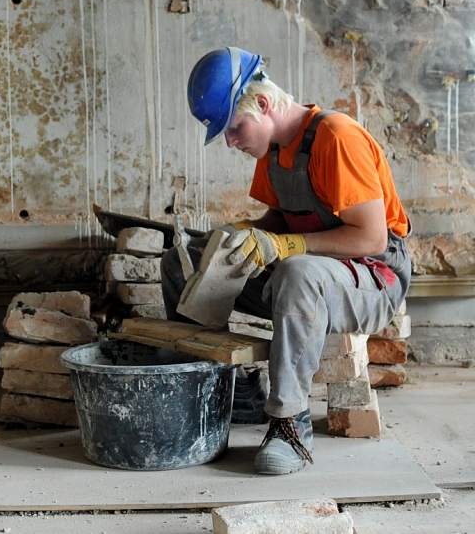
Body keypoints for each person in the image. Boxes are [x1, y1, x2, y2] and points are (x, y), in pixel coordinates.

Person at [161, 47, 411, 475]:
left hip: (373, 277)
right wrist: (242, 230)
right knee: (182, 260)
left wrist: (288, 247)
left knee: (297, 273)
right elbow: (280, 219)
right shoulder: (274, 150)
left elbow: (370, 237)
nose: (231, 141)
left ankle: (288, 426)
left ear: (262, 103)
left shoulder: (337, 137)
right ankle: (225, 392)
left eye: (235, 128)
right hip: (315, 273)